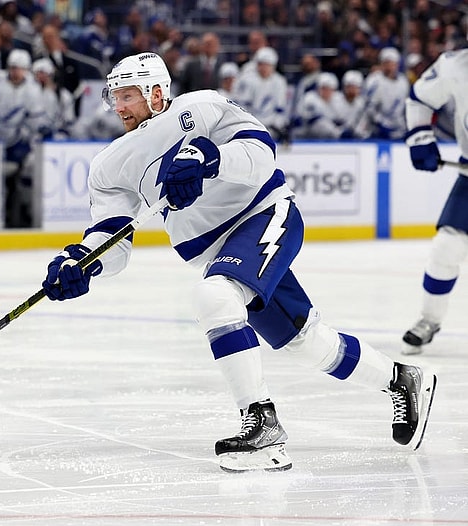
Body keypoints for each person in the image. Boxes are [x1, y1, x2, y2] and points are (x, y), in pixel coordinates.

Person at [40, 52, 436, 473]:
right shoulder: (108, 165)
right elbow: (113, 239)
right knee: (304, 340)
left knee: (214, 295)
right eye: (113, 97)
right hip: (219, 253)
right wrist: (82, 260)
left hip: (264, 214)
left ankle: (264, 426)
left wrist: (211, 159)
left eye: (127, 96)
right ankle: (401, 379)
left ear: (157, 93)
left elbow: (261, 153)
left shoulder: (202, 107)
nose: (117, 107)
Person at [400, 46, 468, 354]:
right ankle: (429, 320)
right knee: (446, 248)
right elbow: (420, 98)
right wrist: (420, 137)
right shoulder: (456, 65)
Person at [0, 48, 50, 228]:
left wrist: (38, 132)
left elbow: (35, 120)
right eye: (13, 68)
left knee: (28, 176)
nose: (16, 72)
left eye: (20, 68)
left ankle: (23, 217)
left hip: (15, 142)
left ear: (27, 70)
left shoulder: (32, 89)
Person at [364, 47, 409, 140]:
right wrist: (381, 123)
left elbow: (405, 106)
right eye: (386, 63)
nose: (389, 66)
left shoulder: (403, 81)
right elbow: (369, 107)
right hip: (377, 129)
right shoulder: (374, 80)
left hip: (399, 128)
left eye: (392, 63)